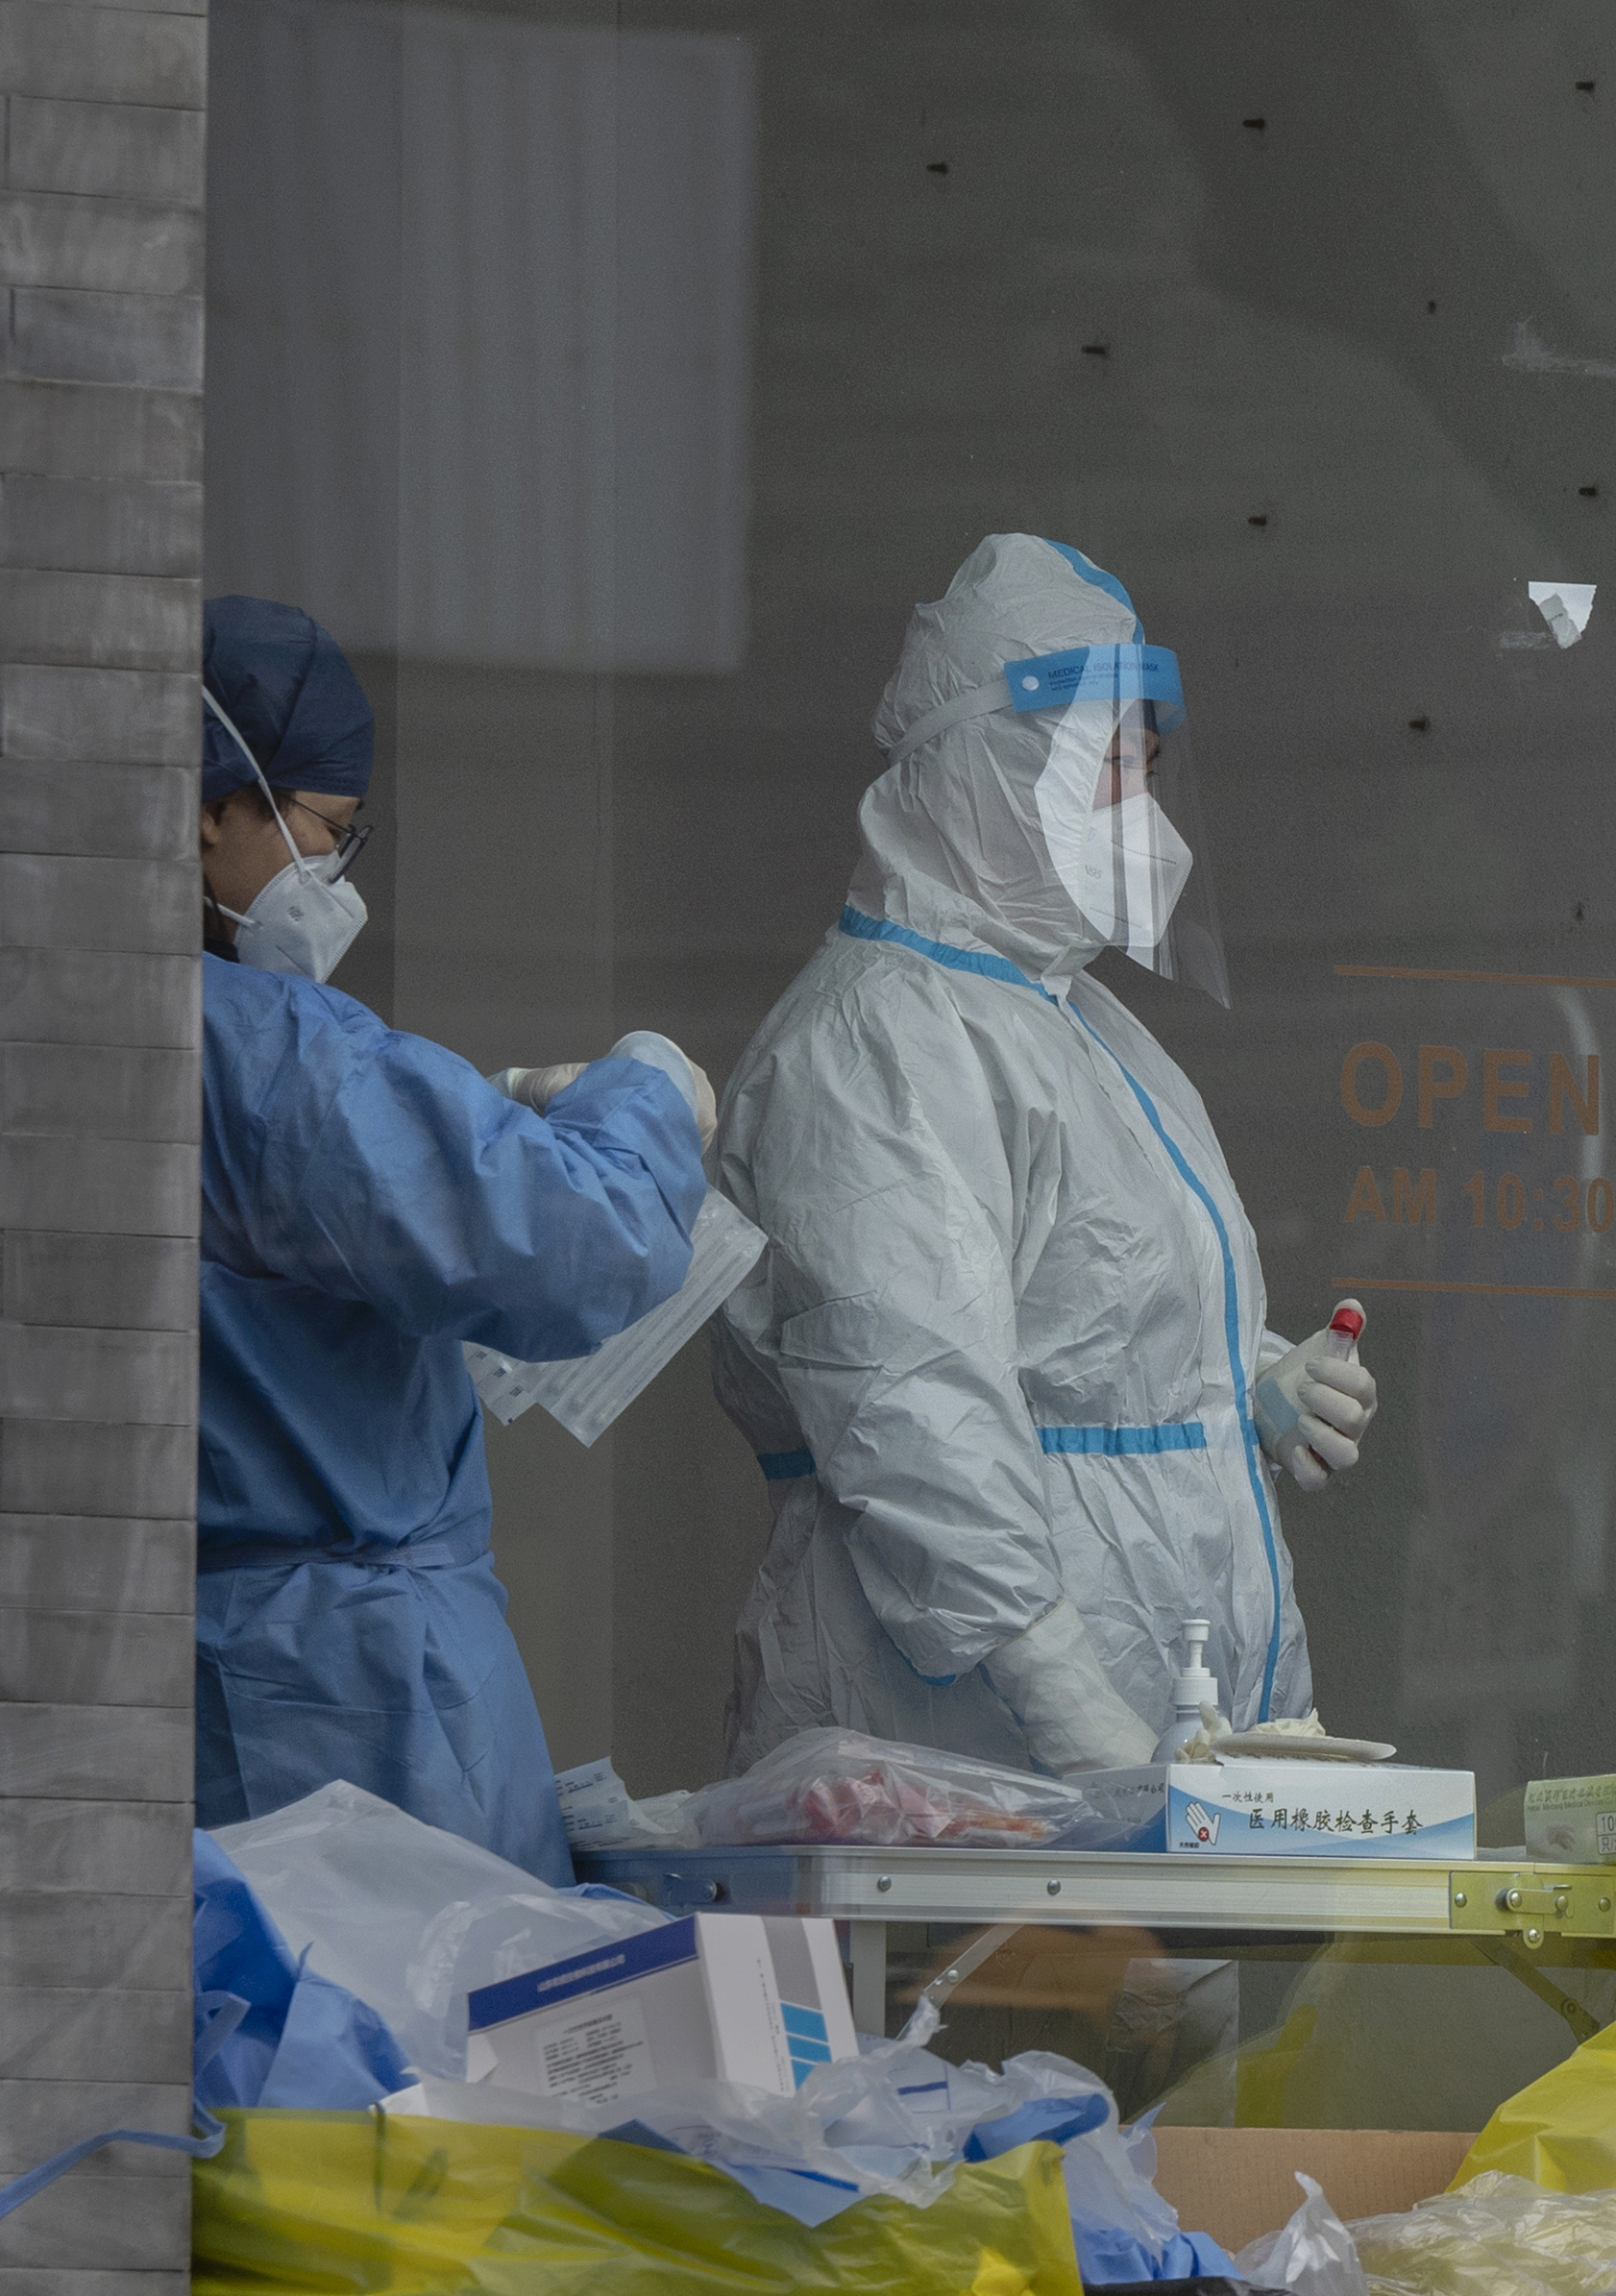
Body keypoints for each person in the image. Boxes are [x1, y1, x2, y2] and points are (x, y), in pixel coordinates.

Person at [713, 535, 1378, 1781]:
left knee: (1139, 1984)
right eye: (1112, 764)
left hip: (1157, 1742)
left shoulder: (1069, 1025)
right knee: (965, 1988)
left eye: (1148, 764)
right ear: (995, 769)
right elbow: (914, 1408)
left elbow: (1073, 1331)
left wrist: (1240, 1382)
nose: (1142, 807)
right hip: (972, 1754)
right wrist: (1077, 1710)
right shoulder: (880, 1042)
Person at [192, 596, 713, 1880]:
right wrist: (645, 1092)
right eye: (321, 831)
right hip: (338, 1686)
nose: (335, 874)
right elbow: (579, 1241)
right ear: (215, 806)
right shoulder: (260, 1051)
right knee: (415, 2059)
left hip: (219, 1666)